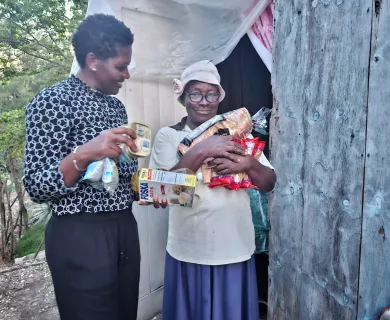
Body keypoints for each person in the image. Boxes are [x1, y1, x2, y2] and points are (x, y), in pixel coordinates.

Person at [23, 14, 150, 320]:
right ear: (93, 60)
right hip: (79, 234)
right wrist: (84, 154)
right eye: (121, 66)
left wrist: (145, 188)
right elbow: (37, 186)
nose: (127, 75)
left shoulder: (114, 106)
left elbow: (118, 176)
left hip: (123, 228)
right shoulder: (52, 101)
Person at [149, 60, 277, 320]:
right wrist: (202, 150)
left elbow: (269, 182)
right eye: (195, 93)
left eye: (212, 94)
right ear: (183, 97)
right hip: (189, 249)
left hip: (234, 247)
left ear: (220, 97)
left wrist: (248, 163)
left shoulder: (237, 134)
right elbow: (162, 191)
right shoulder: (169, 136)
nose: (204, 101)